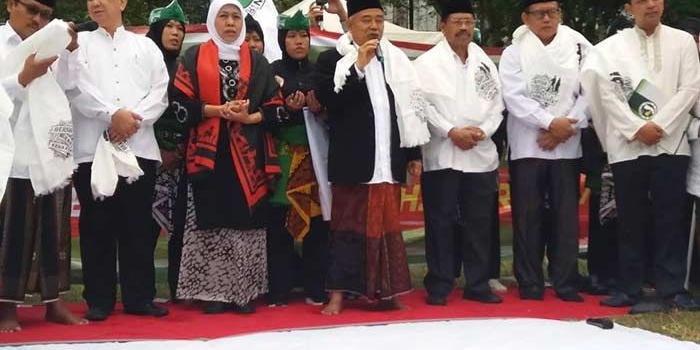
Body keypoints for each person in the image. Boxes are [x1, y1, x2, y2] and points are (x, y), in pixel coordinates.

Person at [313, 0, 430, 315]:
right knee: (345, 231)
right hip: (353, 162)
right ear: (350, 23)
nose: (375, 26)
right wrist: (358, 67)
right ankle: (337, 295)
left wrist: (413, 153)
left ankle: (386, 294)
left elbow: (407, 112)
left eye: (379, 19)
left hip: (387, 162)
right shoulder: (331, 60)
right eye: (366, 20)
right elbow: (329, 101)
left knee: (385, 231)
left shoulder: (395, 62)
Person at [582, 0, 700, 313]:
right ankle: (628, 286)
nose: (652, 5)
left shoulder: (683, 41)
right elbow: (605, 95)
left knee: (671, 217)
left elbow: (690, 88)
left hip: (671, 142)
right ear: (629, 7)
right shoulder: (609, 48)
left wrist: (659, 125)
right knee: (630, 218)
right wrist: (636, 129)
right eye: (643, 0)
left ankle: (672, 287)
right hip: (627, 144)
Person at [172, 0, 284, 315]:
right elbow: (179, 106)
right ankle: (211, 293)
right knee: (210, 221)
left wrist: (253, 118)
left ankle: (243, 291)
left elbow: (277, 110)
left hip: (248, 155)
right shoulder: (193, 58)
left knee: (245, 221)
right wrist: (215, 111)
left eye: (236, 16)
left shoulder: (260, 63)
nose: (231, 23)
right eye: (224, 16)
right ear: (212, 20)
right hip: (208, 154)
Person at [71, 0, 170, 321]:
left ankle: (139, 297)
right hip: (92, 148)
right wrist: (112, 115)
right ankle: (98, 299)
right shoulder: (78, 43)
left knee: (137, 226)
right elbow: (75, 87)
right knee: (96, 225)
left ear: (122, 2)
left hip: (138, 147)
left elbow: (160, 92)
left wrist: (132, 121)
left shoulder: (146, 47)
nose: (96, 3)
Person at [0, 0, 85, 333]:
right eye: (32, 10)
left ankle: (54, 303)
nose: (38, 19)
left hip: (51, 152)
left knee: (53, 233)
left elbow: (71, 88)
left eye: (45, 15)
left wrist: (73, 51)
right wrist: (23, 78)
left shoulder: (53, 42)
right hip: (13, 155)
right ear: (11, 5)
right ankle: (6, 307)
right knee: (13, 233)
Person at [414, 0, 504, 306]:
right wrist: (451, 131)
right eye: (457, 21)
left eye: (468, 21)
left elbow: (497, 104)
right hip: (443, 154)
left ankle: (477, 283)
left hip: (480, 152)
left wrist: (483, 132)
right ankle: (439, 283)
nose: (464, 27)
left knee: (479, 222)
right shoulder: (426, 64)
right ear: (443, 26)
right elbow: (422, 105)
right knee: (440, 222)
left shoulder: (484, 63)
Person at [499, 0, 591, 302]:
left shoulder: (578, 44)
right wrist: (550, 123)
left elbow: (591, 90)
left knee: (565, 219)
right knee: (528, 217)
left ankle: (565, 282)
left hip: (567, 144)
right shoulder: (514, 51)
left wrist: (566, 127)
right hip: (529, 145)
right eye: (539, 14)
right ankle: (530, 283)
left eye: (553, 12)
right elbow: (514, 97)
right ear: (526, 17)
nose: (547, 19)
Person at [267, 10, 329, 307]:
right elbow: (264, 115)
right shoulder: (271, 71)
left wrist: (319, 109)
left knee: (317, 225)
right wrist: (288, 111)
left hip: (316, 158)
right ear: (282, 40)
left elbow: (333, 112)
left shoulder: (320, 71)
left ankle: (316, 287)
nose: (298, 41)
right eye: (291, 36)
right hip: (283, 159)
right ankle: (279, 288)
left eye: (303, 35)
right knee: (280, 224)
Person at [146, 0, 188, 304]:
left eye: (180, 28)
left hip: (183, 159)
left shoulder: (187, 67)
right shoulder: (143, 62)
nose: (175, 33)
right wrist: (159, 150)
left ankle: (179, 291)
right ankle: (143, 293)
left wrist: (182, 148)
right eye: (169, 27)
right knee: (143, 231)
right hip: (148, 157)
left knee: (181, 230)